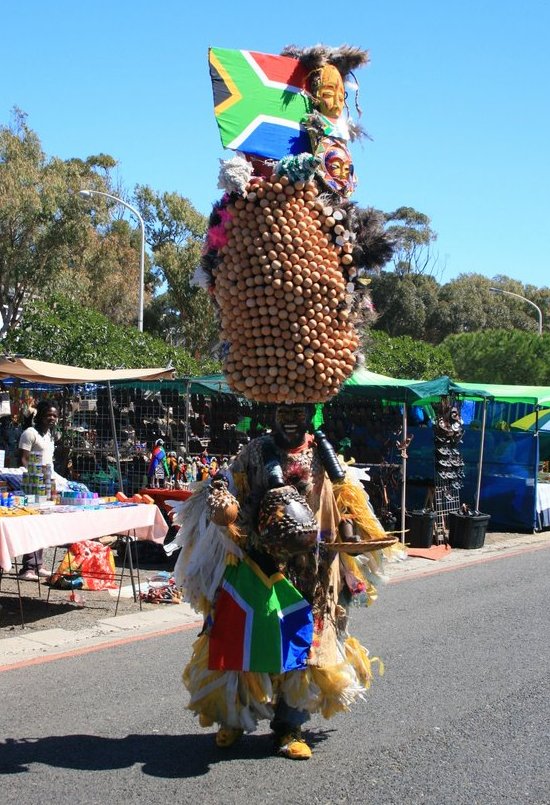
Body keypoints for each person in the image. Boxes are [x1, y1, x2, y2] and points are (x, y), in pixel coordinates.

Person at [171, 404, 398, 760]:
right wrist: (220, 495)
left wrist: (350, 535)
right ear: (272, 414)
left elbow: (344, 499)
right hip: (257, 560)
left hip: (311, 567)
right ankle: (233, 717)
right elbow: (227, 485)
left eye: (298, 413)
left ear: (310, 414)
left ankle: (290, 726)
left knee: (304, 644)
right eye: (284, 412)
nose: (291, 419)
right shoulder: (254, 451)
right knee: (242, 637)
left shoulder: (322, 454)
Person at [18, 399, 59, 580]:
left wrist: (52, 484)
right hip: (33, 484)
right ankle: (28, 568)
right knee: (32, 524)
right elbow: (23, 459)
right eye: (49, 415)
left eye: (55, 415)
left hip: (47, 483)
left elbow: (49, 462)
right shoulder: (29, 434)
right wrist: (37, 476)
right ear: (40, 415)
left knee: (43, 524)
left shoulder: (50, 435)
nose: (52, 418)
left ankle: (38, 565)